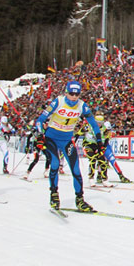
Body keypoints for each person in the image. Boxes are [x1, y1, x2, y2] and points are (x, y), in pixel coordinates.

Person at [34, 81, 101, 212]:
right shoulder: (58, 102)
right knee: (54, 163)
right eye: (71, 94)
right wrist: (40, 134)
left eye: (77, 94)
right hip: (51, 138)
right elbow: (40, 120)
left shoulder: (82, 106)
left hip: (66, 140)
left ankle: (80, 200)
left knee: (76, 170)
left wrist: (99, 140)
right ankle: (54, 195)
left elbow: (93, 124)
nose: (74, 97)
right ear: (66, 92)